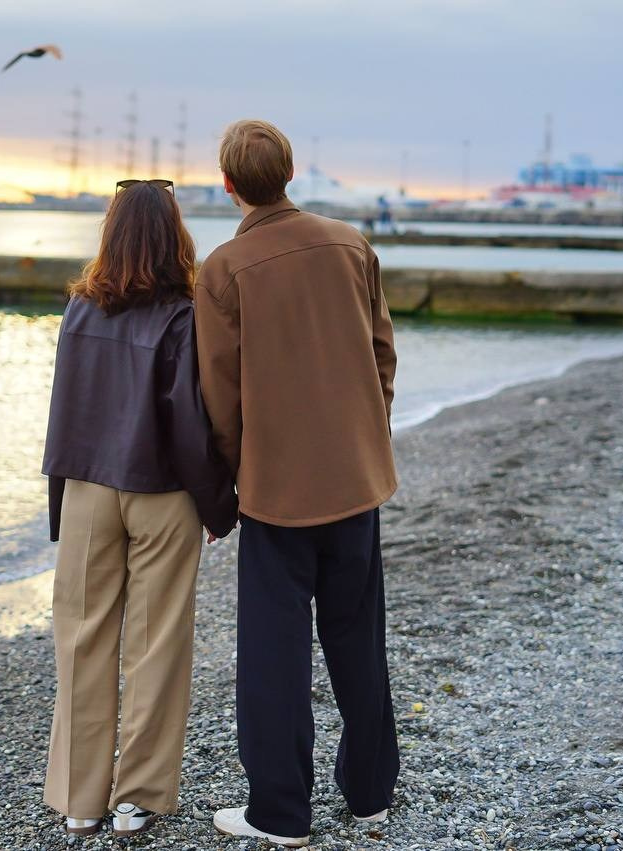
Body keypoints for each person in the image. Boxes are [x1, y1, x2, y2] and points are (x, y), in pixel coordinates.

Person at [195, 119, 400, 848]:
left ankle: (280, 812)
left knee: (274, 651)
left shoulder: (223, 268)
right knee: (357, 634)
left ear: (227, 184)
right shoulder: (350, 244)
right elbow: (382, 353)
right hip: (355, 475)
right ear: (290, 173)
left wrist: (232, 477)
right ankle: (371, 792)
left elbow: (219, 396)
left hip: (277, 489)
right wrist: (366, 434)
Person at [40, 178, 238, 839]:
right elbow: (191, 424)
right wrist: (218, 505)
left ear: (111, 232)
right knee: (157, 643)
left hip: (89, 489)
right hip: (163, 494)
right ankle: (138, 798)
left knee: (83, 637)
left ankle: (80, 799)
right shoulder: (185, 314)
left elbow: (64, 413)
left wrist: (58, 502)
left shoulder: (78, 311)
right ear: (175, 234)